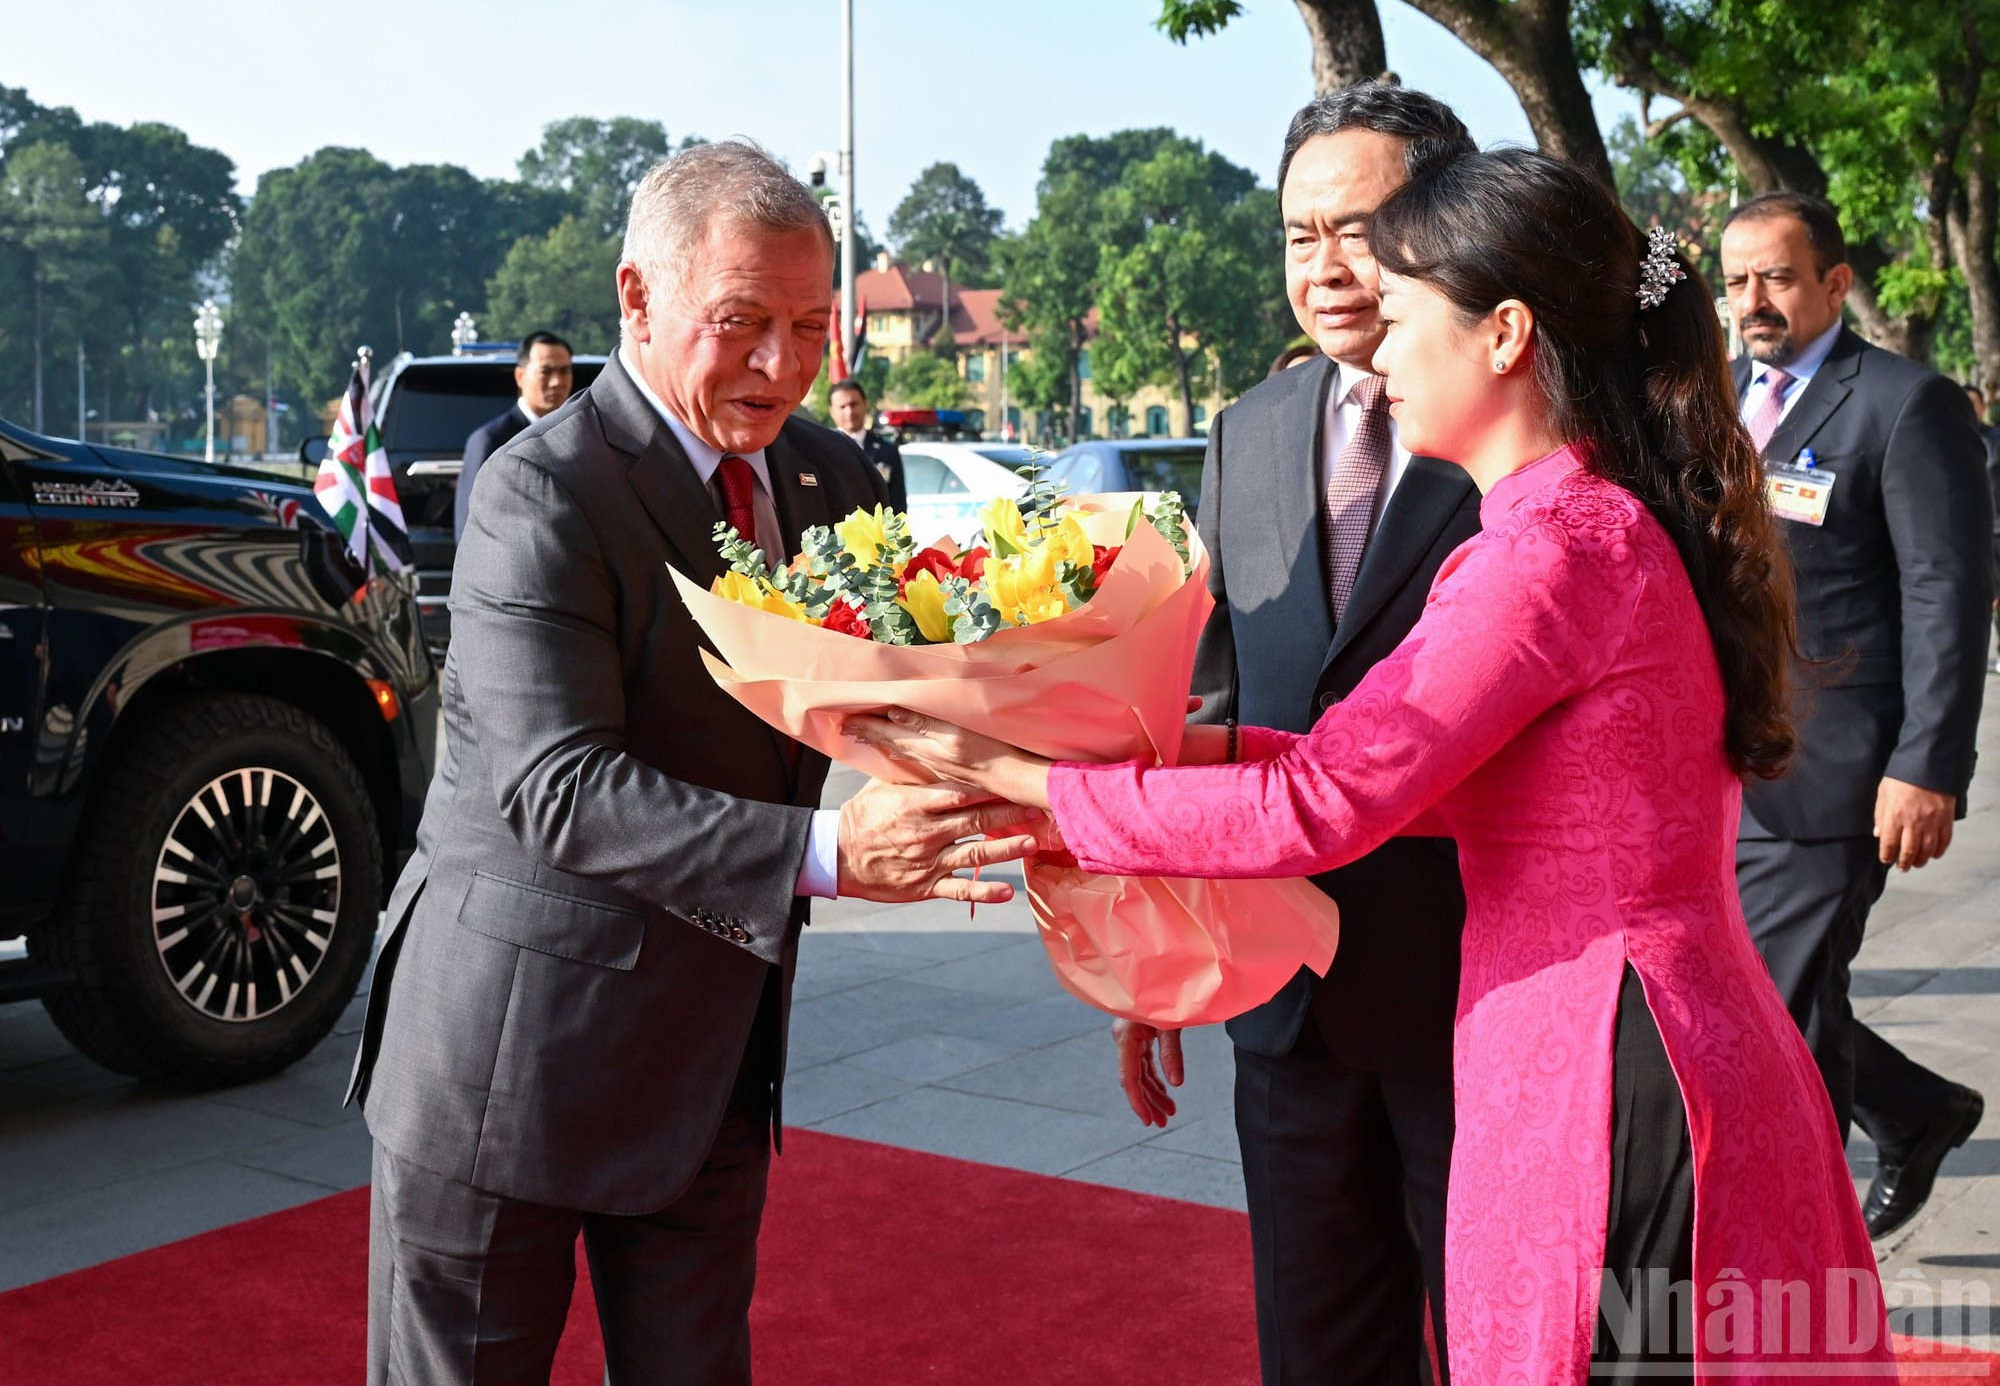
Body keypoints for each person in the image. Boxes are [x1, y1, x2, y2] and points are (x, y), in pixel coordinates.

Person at [847, 150, 1890, 1381]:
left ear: (1502, 334)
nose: (1375, 353)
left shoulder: (1552, 547)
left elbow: (1326, 801)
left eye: (1397, 317)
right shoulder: (1573, 521)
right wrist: (1129, 752)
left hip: (1613, 1057)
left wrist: (1020, 779)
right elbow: (1399, 773)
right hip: (1604, 1030)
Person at [347, 141, 1037, 1386]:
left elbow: (876, 689)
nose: (780, 362)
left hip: (711, 1057)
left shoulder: (826, 474)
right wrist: (832, 852)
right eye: (741, 322)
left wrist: (1036, 771)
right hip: (510, 1059)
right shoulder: (539, 491)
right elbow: (558, 785)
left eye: (810, 324)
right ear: (637, 298)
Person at [1120, 84, 1478, 1386]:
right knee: (1317, 1354)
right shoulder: (1250, 431)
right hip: (1281, 997)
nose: (1326, 266)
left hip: (1471, 993)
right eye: (1298, 232)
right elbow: (1210, 705)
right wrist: (1160, 946)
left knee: (1512, 1348)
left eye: (1361, 227)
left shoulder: (1522, 429)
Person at [1719, 192, 1993, 1238]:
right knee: (1750, 991)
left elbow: (1945, 589)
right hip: (1720, 768)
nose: (1752, 299)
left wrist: (1926, 764)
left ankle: (1792, 1258)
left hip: (1837, 773)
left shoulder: (1900, 402)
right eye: (1736, 277)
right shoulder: (1714, 400)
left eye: (1776, 277)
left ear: (1833, 283)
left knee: (1772, 1019)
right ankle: (1914, 1111)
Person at [455, 330, 575, 541]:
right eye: (545, 372)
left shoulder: (580, 435)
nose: (557, 382)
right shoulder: (492, 441)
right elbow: (469, 528)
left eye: (564, 371)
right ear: (520, 376)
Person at [828, 377, 906, 512]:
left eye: (854, 404)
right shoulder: (822, 450)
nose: (849, 412)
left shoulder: (888, 451)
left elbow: (898, 501)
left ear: (865, 404)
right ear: (831, 410)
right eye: (842, 406)